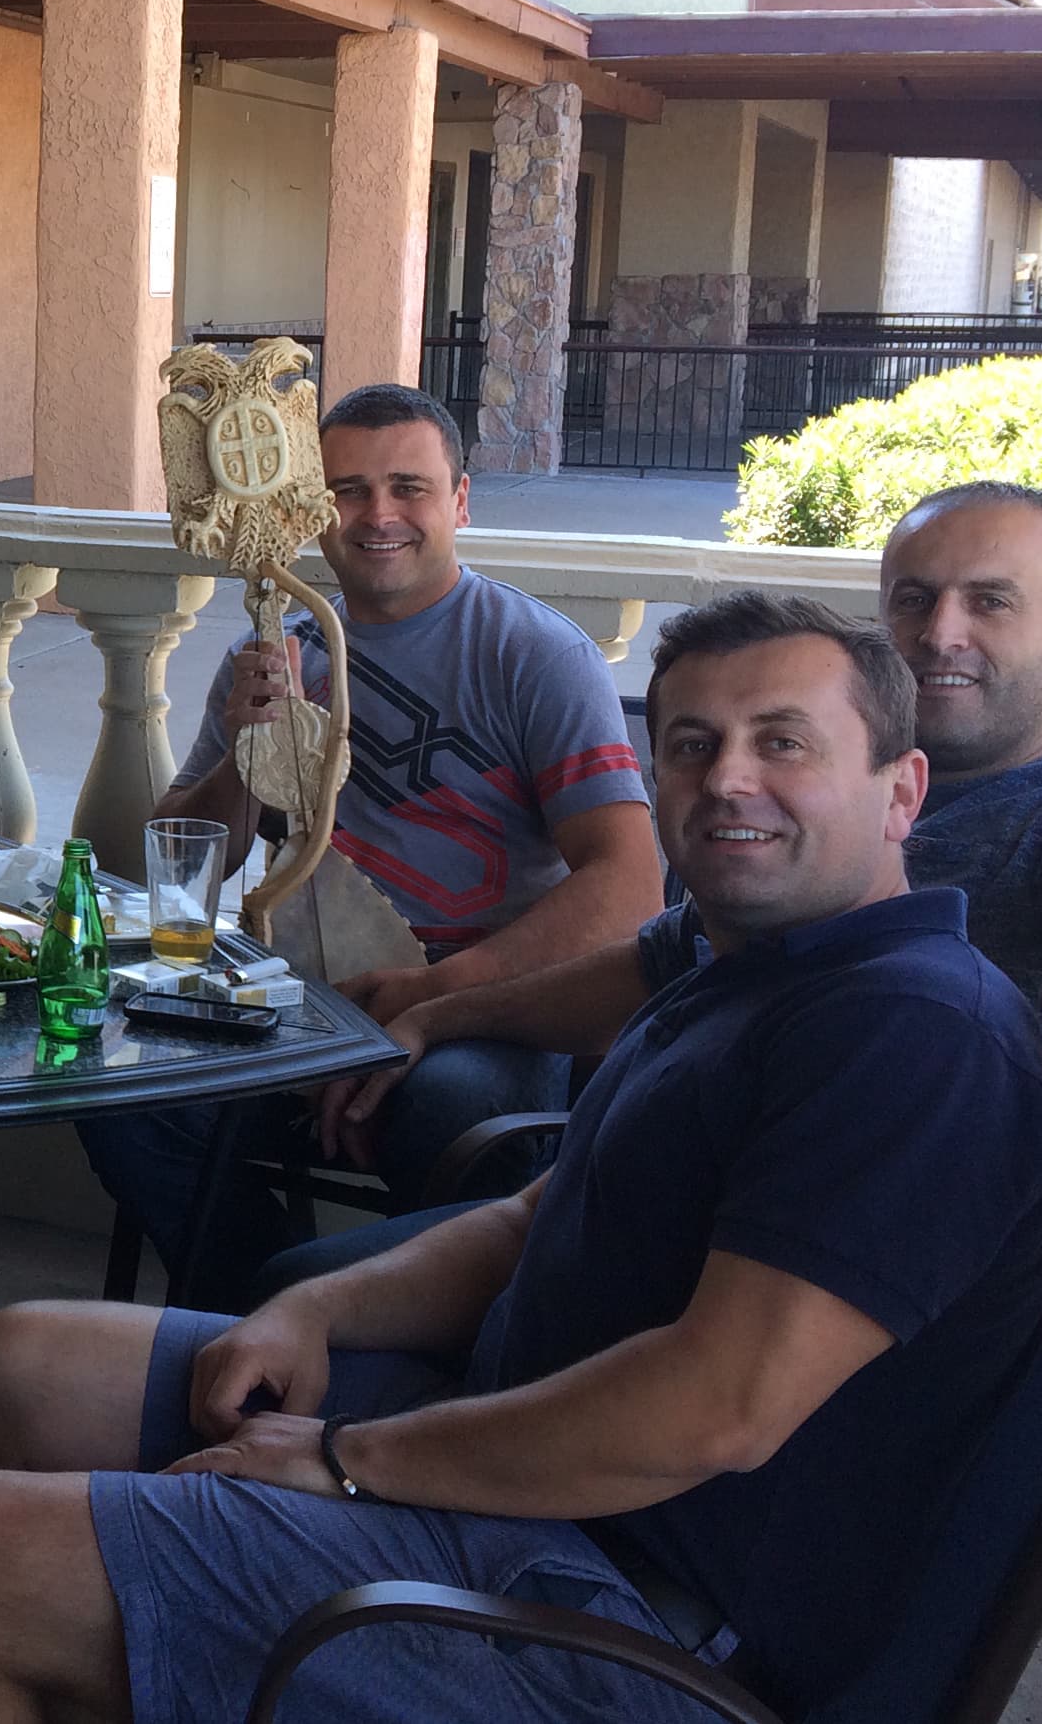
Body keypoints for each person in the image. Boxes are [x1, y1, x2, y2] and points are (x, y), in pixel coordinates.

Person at [0, 591, 1042, 1724]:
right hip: (519, 1437)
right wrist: (320, 1310)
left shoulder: (911, 1035)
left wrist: (348, 1461)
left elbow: (716, 1411)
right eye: (694, 745)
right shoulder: (745, 962)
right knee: (21, 1365)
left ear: (902, 791)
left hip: (630, 1614)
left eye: (784, 743)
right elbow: (528, 1220)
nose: (727, 780)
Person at [289, 479, 1042, 1284]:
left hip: (884, 1272)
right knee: (290, 1292)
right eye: (912, 600)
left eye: (991, 602)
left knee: (303, 1307)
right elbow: (653, 963)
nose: (939, 632)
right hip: (681, 1208)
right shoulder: (834, 811)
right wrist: (429, 1012)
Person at [78, 383, 661, 1307]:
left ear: (460, 502)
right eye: (348, 490)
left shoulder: (536, 655)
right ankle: (258, 1319)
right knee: (119, 1084)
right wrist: (244, 745)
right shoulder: (274, 649)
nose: (378, 515)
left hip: (484, 998)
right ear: (314, 511)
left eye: (409, 487)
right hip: (298, 991)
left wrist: (427, 1001)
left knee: (450, 1105)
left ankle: (421, 1348)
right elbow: (182, 861)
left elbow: (630, 884)